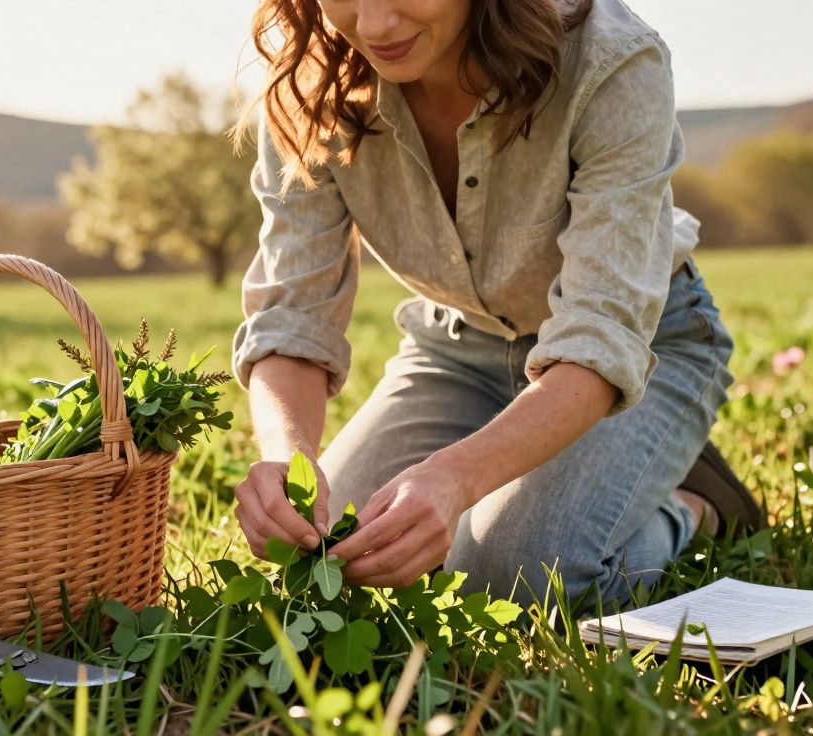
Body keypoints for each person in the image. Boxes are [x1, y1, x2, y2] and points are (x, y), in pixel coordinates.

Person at [228, 0, 764, 609]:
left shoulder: (612, 61)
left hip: (644, 347)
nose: (373, 25)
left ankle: (694, 509)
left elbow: (601, 335)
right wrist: (288, 464)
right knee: (344, 543)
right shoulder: (313, 85)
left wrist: (455, 479)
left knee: (506, 573)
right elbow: (292, 315)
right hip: (459, 346)